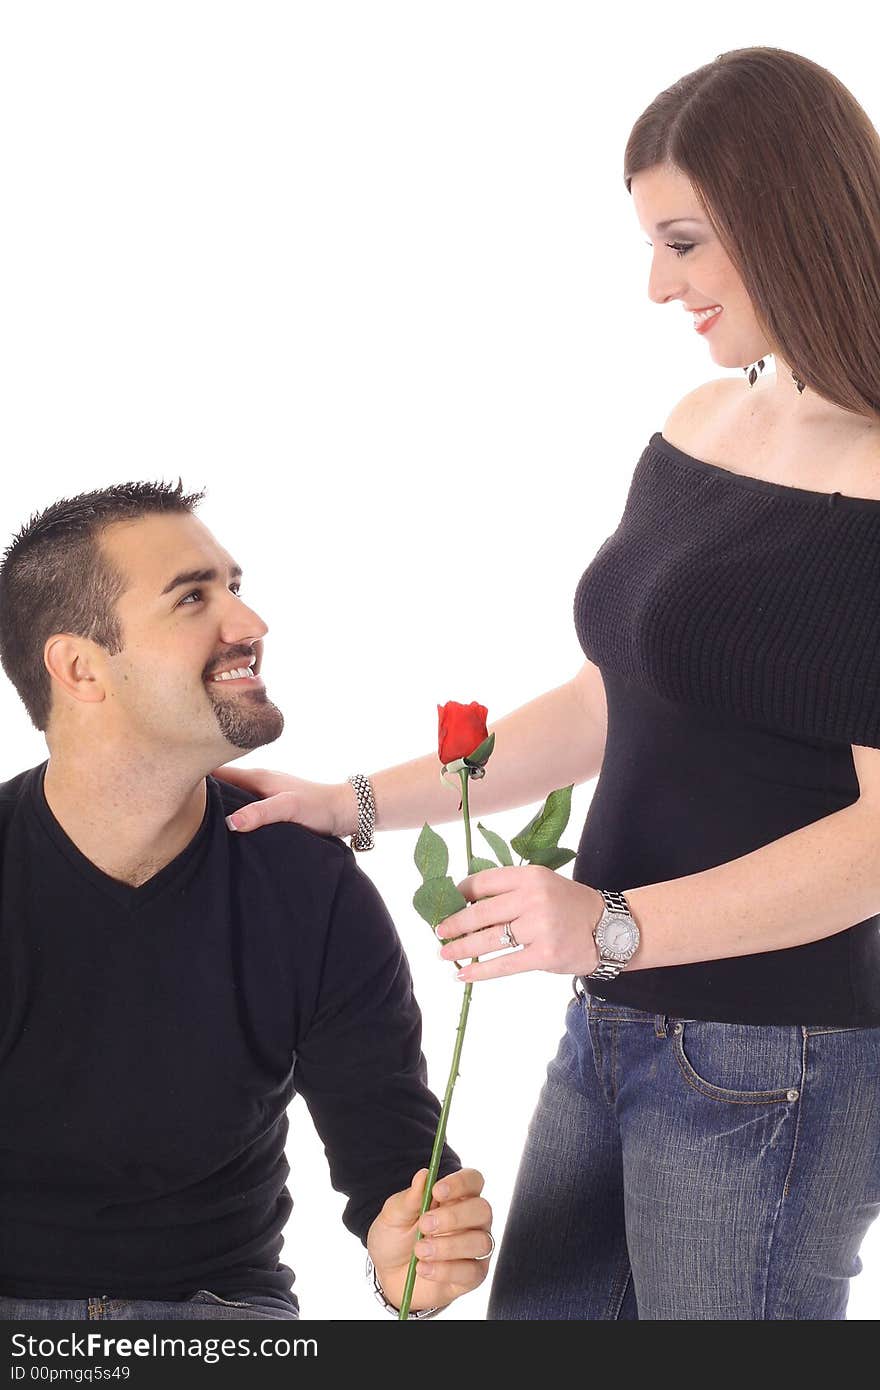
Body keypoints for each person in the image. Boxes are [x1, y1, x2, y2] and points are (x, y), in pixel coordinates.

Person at [212, 47, 880, 1321]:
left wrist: (611, 923)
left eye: (683, 242)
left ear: (783, 213)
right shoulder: (700, 425)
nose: (655, 285)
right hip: (614, 1023)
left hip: (774, 1057)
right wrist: (352, 803)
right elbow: (602, 702)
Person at [0, 483, 493, 1322]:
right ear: (81, 668)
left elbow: (393, 1161)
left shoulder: (306, 883)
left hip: (217, 1316)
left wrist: (413, 1250)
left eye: (234, 584)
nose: (249, 622)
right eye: (195, 596)